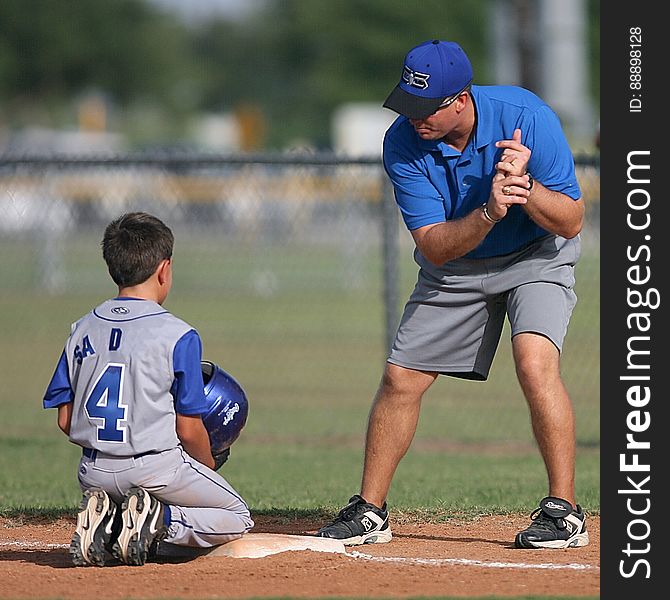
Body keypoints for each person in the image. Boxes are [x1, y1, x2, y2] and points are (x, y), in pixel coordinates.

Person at [316, 39, 588, 549]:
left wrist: (525, 189)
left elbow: (571, 222)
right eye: (407, 105)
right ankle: (371, 510)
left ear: (460, 100)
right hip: (458, 264)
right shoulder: (402, 144)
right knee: (401, 378)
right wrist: (488, 212)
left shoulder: (527, 117)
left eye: (426, 109)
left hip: (535, 254)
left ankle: (563, 512)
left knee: (534, 363)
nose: (414, 119)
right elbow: (435, 248)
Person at [43, 212, 254, 566]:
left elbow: (66, 420)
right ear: (164, 269)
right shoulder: (177, 334)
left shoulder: (80, 329)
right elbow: (188, 428)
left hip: (92, 472)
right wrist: (205, 466)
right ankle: (159, 520)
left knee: (138, 498)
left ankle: (111, 522)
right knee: (236, 516)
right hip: (154, 468)